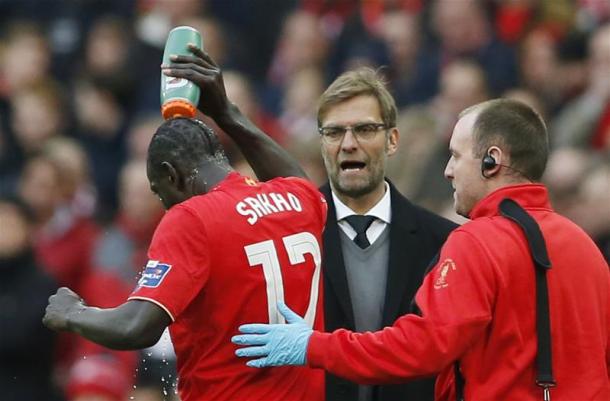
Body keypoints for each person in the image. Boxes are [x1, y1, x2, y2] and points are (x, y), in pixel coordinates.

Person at [233, 99, 610, 401]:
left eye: (456, 156)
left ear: (492, 161)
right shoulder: (585, 246)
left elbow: (422, 346)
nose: (447, 171)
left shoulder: (477, 241)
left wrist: (315, 346)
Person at [43, 45, 327, 401]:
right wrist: (226, 112)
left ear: (170, 175)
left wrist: (73, 314)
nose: (163, 204)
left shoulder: (191, 218)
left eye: (158, 191)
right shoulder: (297, 200)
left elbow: (137, 327)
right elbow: (295, 177)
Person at [315, 67, 457, 401]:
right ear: (322, 143)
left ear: (392, 140)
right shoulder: (290, 234)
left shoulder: (444, 242)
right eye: (334, 133)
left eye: (364, 129)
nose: (349, 144)